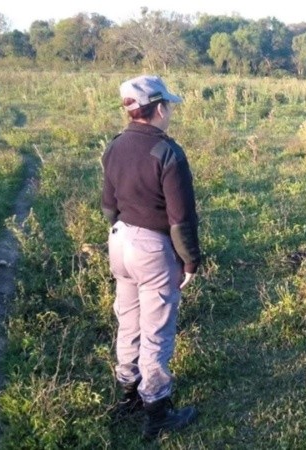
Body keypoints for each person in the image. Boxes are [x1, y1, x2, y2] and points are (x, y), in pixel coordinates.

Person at [101, 74, 201, 437]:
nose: (170, 110)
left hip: (119, 241)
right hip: (152, 248)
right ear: (159, 108)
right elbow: (180, 218)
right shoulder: (168, 152)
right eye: (169, 105)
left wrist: (124, 232)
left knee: (128, 320)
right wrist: (190, 261)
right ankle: (157, 412)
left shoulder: (113, 147)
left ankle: (129, 394)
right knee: (156, 329)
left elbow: (108, 206)